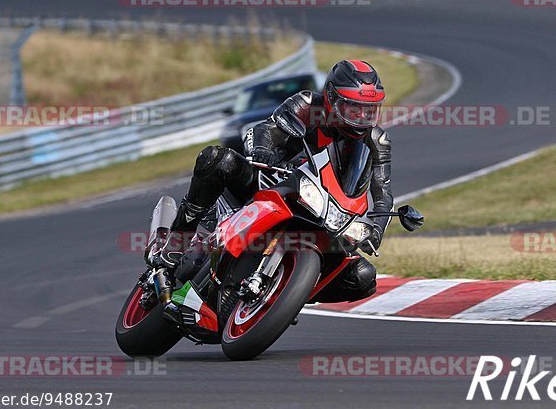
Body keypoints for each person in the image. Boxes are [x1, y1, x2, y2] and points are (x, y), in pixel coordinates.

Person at [158, 59, 393, 303]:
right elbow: (265, 130)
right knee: (218, 159)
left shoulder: (377, 140)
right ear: (333, 98)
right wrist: (263, 150)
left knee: (363, 278)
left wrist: (377, 229)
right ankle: (176, 242)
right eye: (353, 108)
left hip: (322, 211)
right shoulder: (307, 105)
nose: (362, 117)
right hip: (268, 182)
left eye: (369, 110)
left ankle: (286, 294)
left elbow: (382, 191)